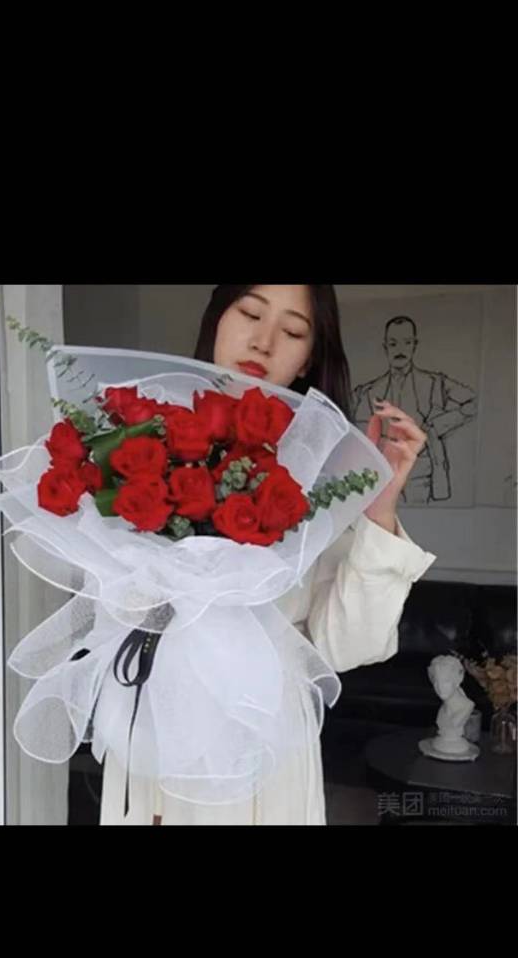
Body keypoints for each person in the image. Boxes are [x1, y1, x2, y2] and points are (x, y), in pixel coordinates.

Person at [99, 285, 437, 825]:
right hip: (158, 719)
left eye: (293, 331)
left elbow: (348, 645)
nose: (263, 341)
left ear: (308, 358)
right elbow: (110, 605)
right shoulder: (140, 442)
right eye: (251, 313)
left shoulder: (324, 475)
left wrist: (380, 505)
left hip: (265, 741)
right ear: (217, 318)